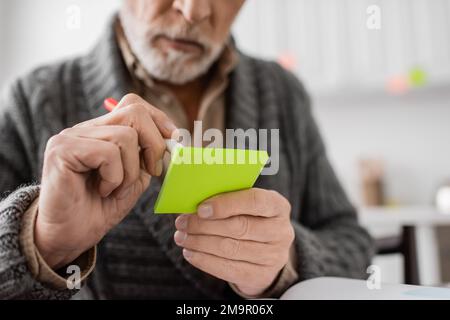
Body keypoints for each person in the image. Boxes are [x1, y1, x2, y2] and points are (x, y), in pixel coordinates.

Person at [0, 0, 374, 299]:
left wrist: (287, 261)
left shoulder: (283, 94)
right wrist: (42, 242)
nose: (194, 11)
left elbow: (352, 244)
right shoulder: (33, 99)